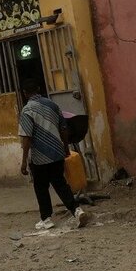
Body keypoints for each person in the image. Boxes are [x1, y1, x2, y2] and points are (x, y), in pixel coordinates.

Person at [19, 79, 88, 230]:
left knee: (41, 187)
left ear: (25, 93)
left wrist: (24, 161)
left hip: (39, 156)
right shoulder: (53, 105)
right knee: (60, 183)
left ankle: (46, 218)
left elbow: (26, 138)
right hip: (56, 152)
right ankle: (76, 210)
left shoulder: (27, 110)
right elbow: (64, 128)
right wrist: (65, 147)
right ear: (38, 89)